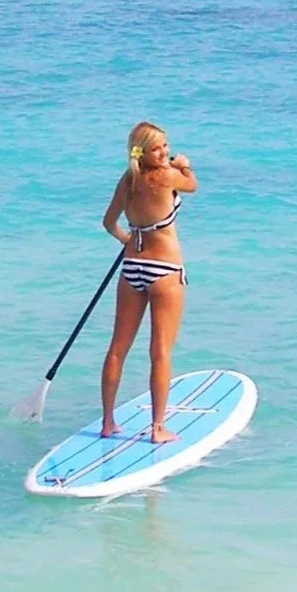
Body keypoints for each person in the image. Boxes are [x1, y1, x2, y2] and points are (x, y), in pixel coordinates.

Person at [99, 122, 197, 442]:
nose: (165, 151)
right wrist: (183, 164)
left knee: (118, 348)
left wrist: (129, 239)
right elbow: (191, 185)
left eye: (166, 146)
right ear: (144, 151)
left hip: (132, 268)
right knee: (160, 351)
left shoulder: (127, 181)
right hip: (164, 269)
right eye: (159, 148)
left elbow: (108, 222)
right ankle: (157, 428)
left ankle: (108, 422)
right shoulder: (167, 176)